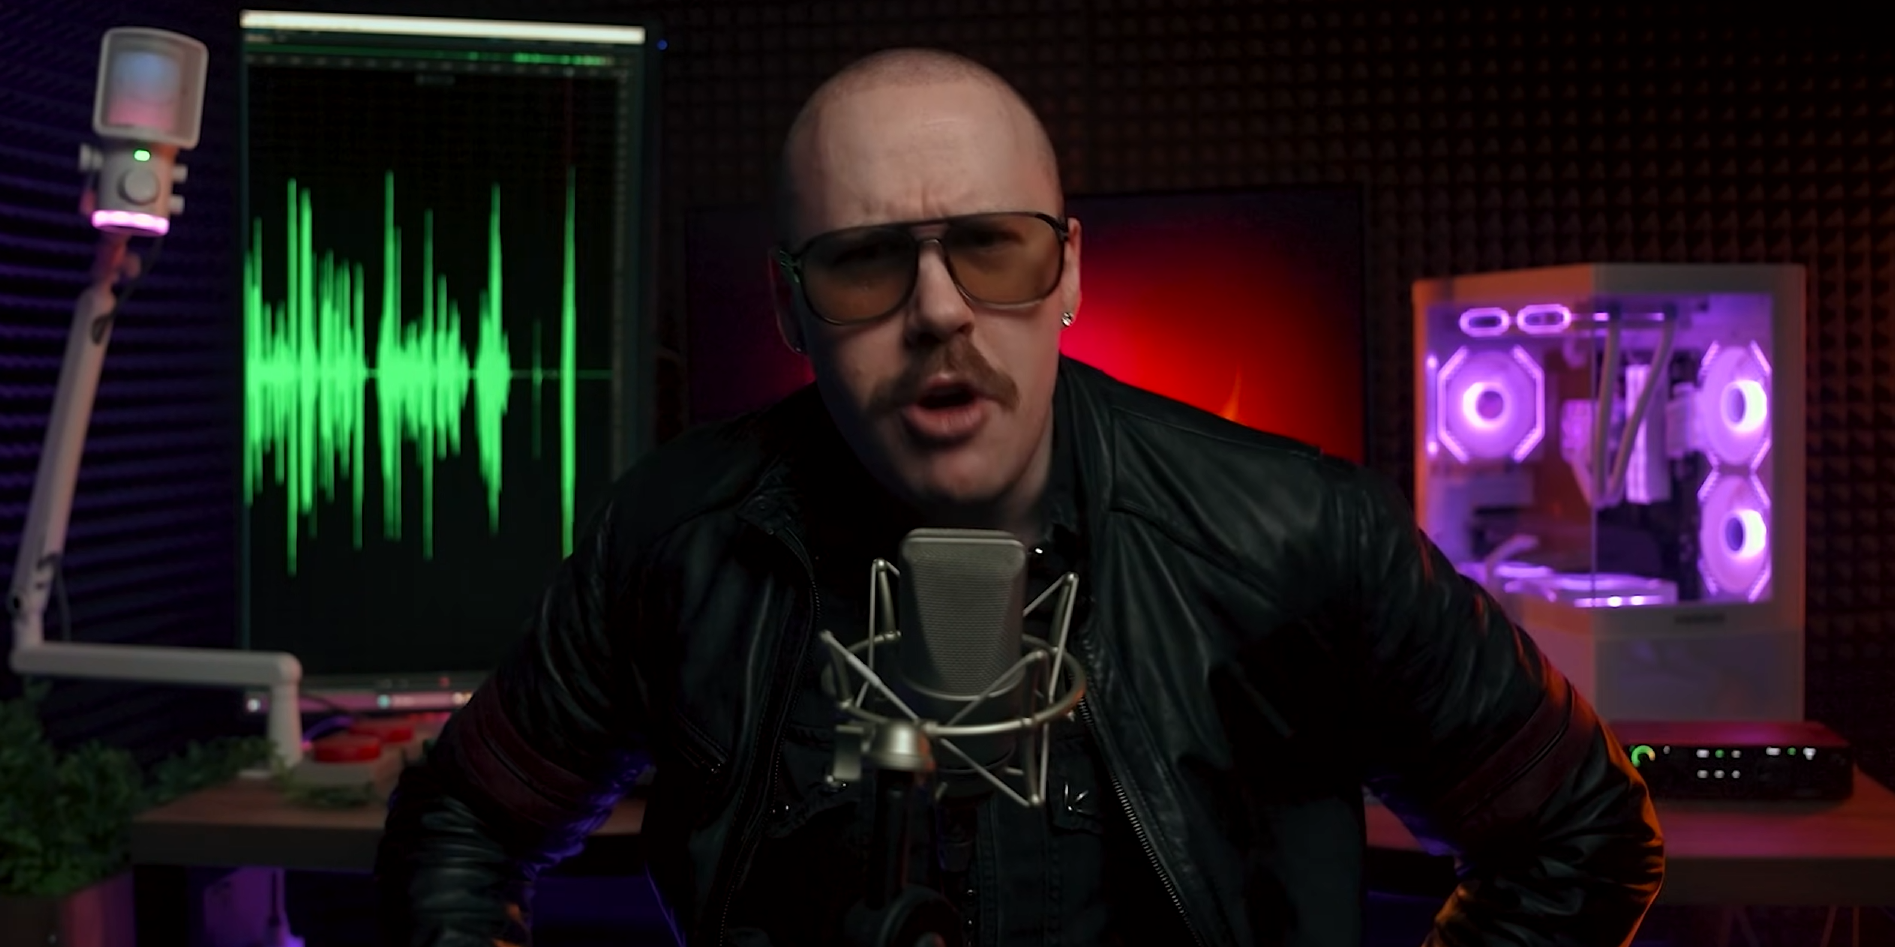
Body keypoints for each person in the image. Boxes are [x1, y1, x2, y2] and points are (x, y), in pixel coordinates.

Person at [376, 47, 1664, 947]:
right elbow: (462, 822)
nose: (940, 312)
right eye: (866, 262)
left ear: (1069, 272)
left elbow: (1582, 833)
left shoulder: (1302, 538)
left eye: (992, 247)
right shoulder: (672, 541)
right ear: (789, 306)